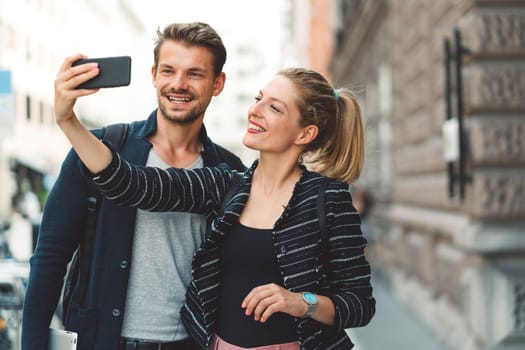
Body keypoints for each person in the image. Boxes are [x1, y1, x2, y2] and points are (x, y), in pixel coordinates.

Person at [55, 67, 376, 349]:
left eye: (274, 108)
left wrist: (300, 302)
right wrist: (69, 122)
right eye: (258, 98)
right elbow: (133, 184)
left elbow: (359, 304)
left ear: (305, 133)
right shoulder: (226, 186)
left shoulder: (328, 200)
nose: (255, 110)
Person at [21, 22, 245, 350]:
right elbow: (50, 258)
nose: (178, 84)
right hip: (103, 342)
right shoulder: (99, 148)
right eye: (168, 71)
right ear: (154, 74)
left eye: (195, 74)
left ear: (218, 83)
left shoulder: (227, 171)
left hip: (190, 344)